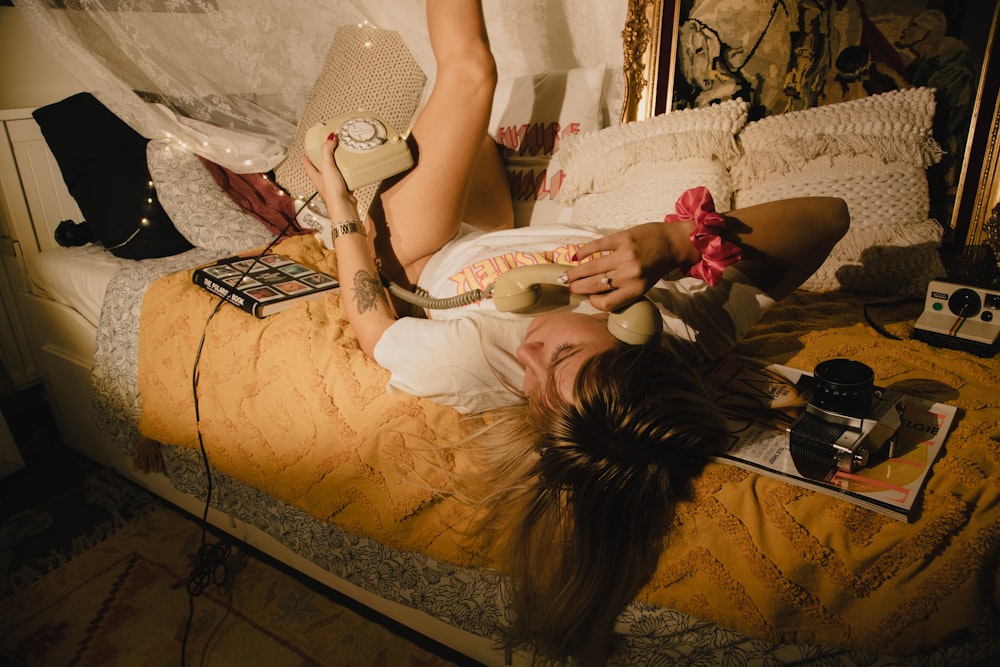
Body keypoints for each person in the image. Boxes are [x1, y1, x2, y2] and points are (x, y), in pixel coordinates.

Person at [303, 1, 849, 663]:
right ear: (631, 329)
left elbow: (370, 322)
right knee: (471, 128)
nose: (528, 354)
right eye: (561, 351)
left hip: (423, 251)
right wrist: (678, 241)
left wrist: (339, 206)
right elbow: (829, 217)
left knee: (471, 72)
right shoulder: (680, 318)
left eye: (534, 381)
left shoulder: (467, 362)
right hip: (493, 223)